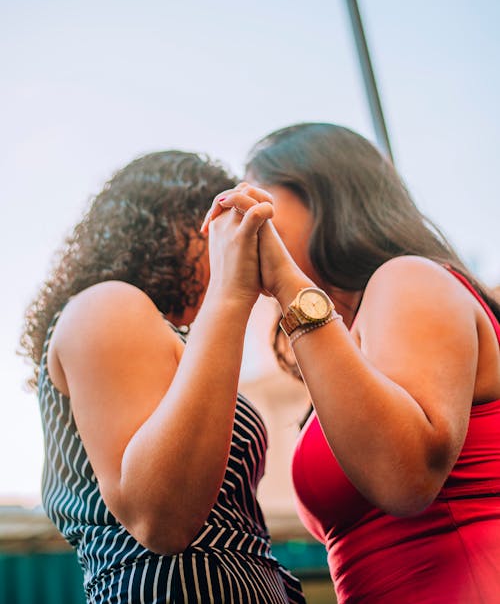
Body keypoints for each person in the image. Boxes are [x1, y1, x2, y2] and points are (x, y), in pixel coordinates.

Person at [204, 123, 500, 603]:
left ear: (322, 195)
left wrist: (286, 282)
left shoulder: (408, 278)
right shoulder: (354, 338)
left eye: (257, 196)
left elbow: (404, 479)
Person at [19, 150, 305, 604]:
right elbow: (161, 519)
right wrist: (230, 294)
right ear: (172, 223)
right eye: (214, 221)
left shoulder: (170, 335)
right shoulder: (106, 304)